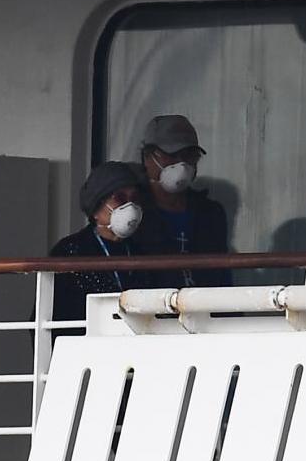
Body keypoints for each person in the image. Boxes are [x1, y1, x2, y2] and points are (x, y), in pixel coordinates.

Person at [49, 161, 149, 327]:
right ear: (96, 208)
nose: (129, 206)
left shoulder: (142, 249)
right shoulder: (70, 251)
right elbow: (51, 316)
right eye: (120, 198)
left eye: (135, 198)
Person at [139, 115, 232, 286]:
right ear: (147, 157)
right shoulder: (134, 212)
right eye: (172, 155)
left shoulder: (210, 213)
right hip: (152, 309)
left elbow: (222, 276)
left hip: (203, 309)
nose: (181, 164)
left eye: (190, 156)